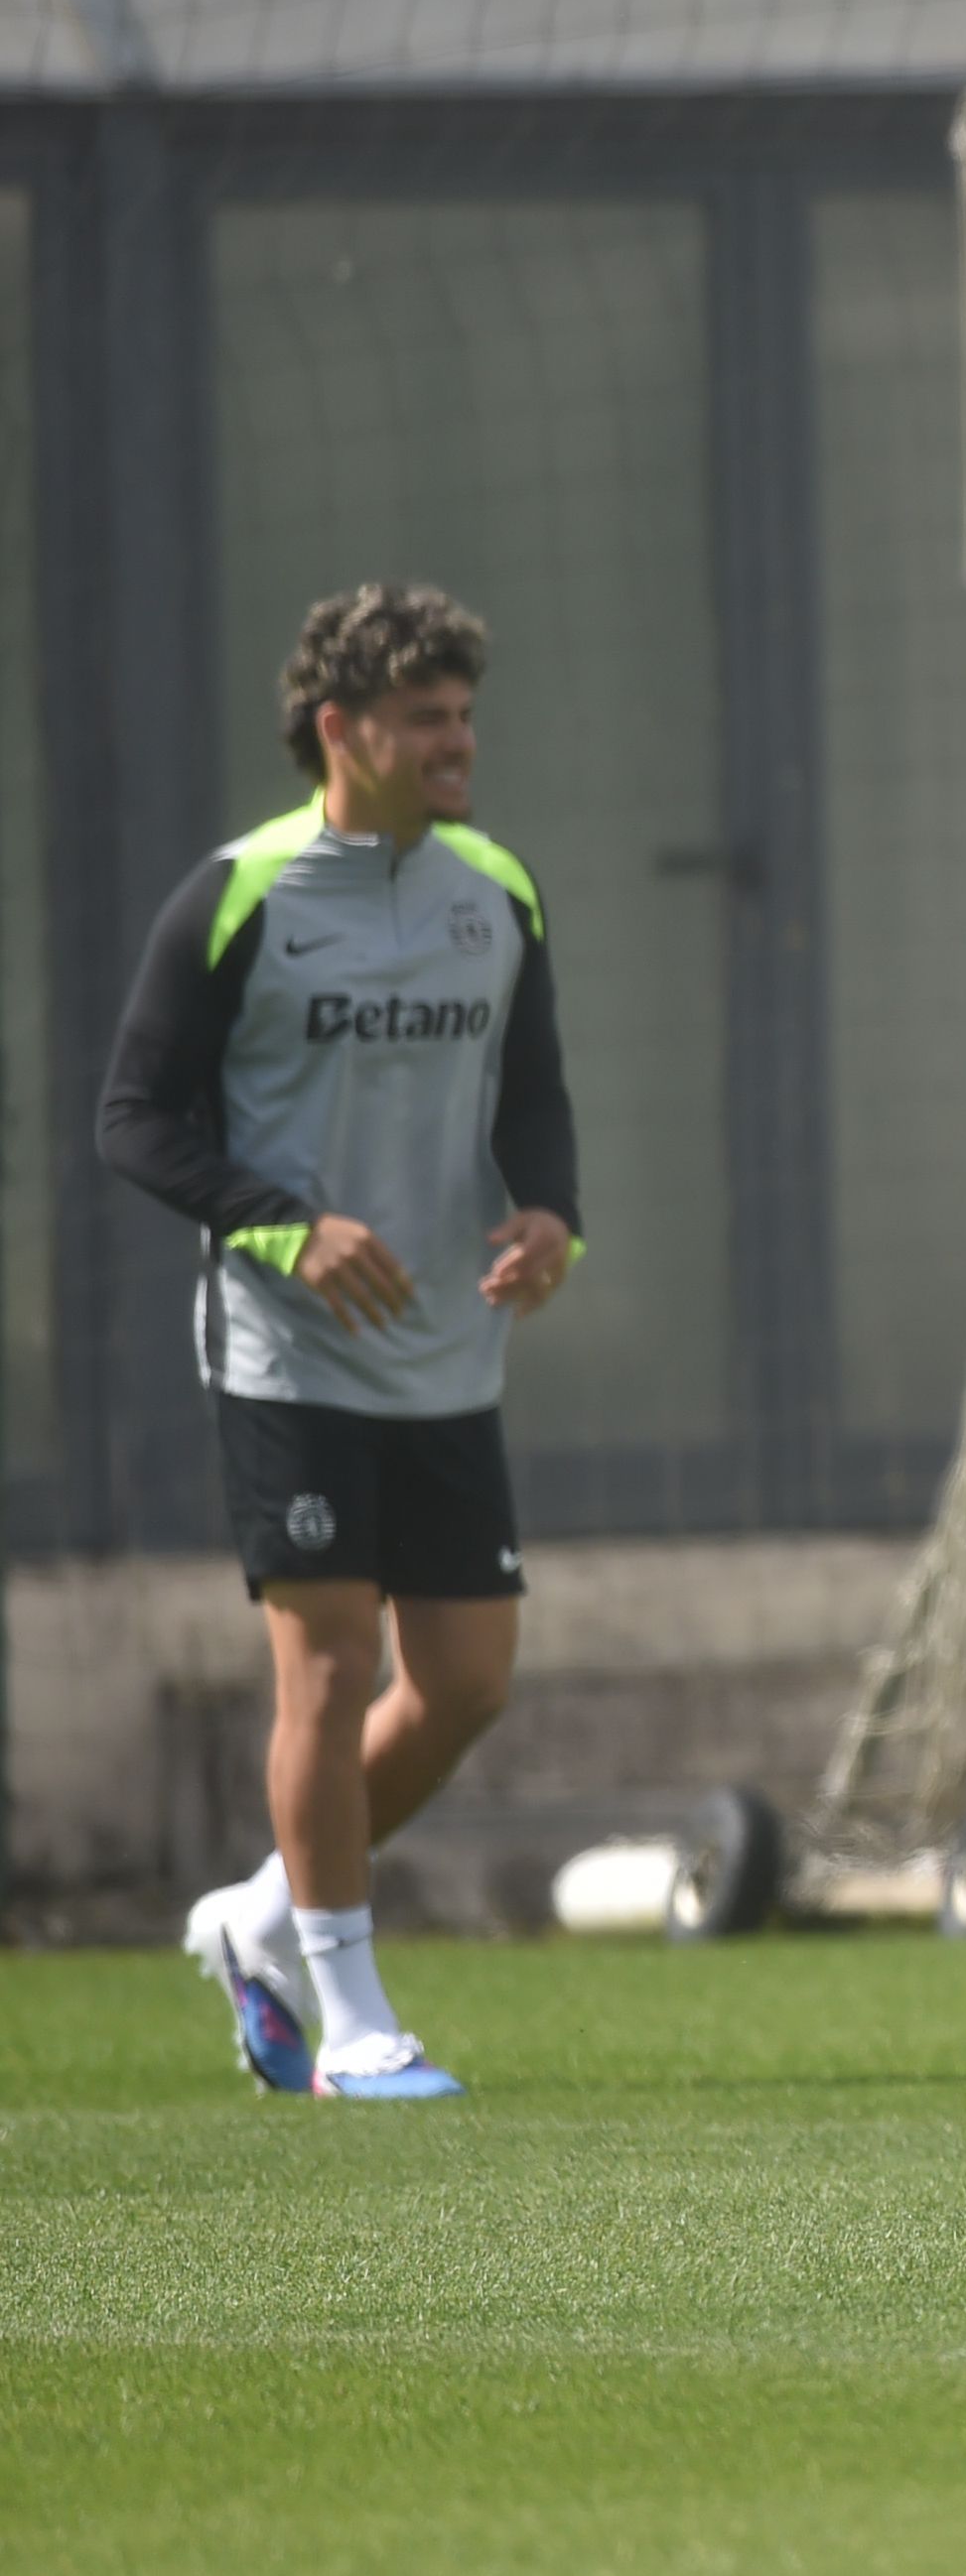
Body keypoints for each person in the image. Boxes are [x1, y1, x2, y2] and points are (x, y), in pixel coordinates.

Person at [106, 583, 579, 2103]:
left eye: (464, 715)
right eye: (426, 719)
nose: (459, 743)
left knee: (467, 1685)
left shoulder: (496, 890)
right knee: (328, 1667)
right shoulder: (237, 896)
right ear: (340, 730)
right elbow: (135, 1120)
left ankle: (257, 1918)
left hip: (446, 1354)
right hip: (289, 1353)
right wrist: (286, 1226)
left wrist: (552, 1217)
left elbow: (532, 1093)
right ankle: (353, 2018)